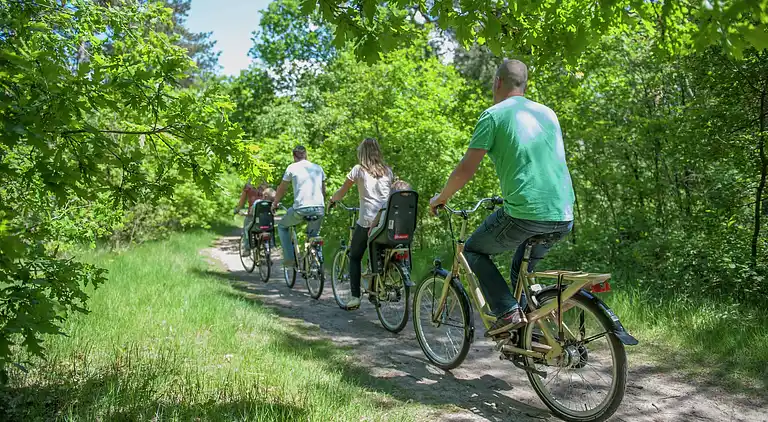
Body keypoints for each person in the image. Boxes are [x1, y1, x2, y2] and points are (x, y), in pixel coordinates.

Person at [428, 59, 575, 338]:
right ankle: (529, 336)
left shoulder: (493, 115)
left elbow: (465, 169)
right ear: (525, 85)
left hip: (525, 215)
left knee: (472, 251)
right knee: (520, 272)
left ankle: (508, 312)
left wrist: (441, 198)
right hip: (563, 213)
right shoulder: (548, 113)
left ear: (497, 82)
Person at [330, 138, 394, 310]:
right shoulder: (388, 171)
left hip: (367, 221)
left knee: (355, 256)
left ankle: (355, 297)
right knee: (378, 252)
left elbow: (342, 192)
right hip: (386, 221)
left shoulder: (359, 170)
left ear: (362, 154)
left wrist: (332, 200)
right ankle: (377, 284)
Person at [271, 145, 326, 267]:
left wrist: (275, 203)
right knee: (313, 235)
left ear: (294, 157)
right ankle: (316, 262)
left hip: (301, 209)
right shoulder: (318, 168)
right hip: (319, 208)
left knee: (282, 226)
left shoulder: (292, 168)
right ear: (306, 154)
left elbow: (282, 188)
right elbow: (323, 191)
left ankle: (289, 258)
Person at [235, 180, 268, 256]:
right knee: (265, 228)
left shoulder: (248, 186)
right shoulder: (265, 183)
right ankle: (265, 248)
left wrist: (237, 209)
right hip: (265, 213)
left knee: (247, 228)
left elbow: (242, 200)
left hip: (252, 214)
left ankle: (247, 249)